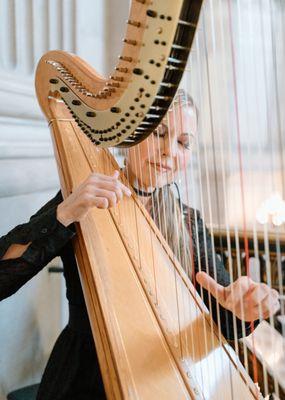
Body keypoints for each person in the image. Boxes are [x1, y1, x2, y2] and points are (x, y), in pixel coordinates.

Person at [0, 91, 280, 400]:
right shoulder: (84, 197)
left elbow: (223, 314)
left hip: (162, 371)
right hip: (84, 374)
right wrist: (64, 213)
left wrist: (243, 309)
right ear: (131, 136)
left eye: (183, 143)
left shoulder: (188, 220)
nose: (169, 152)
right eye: (159, 133)